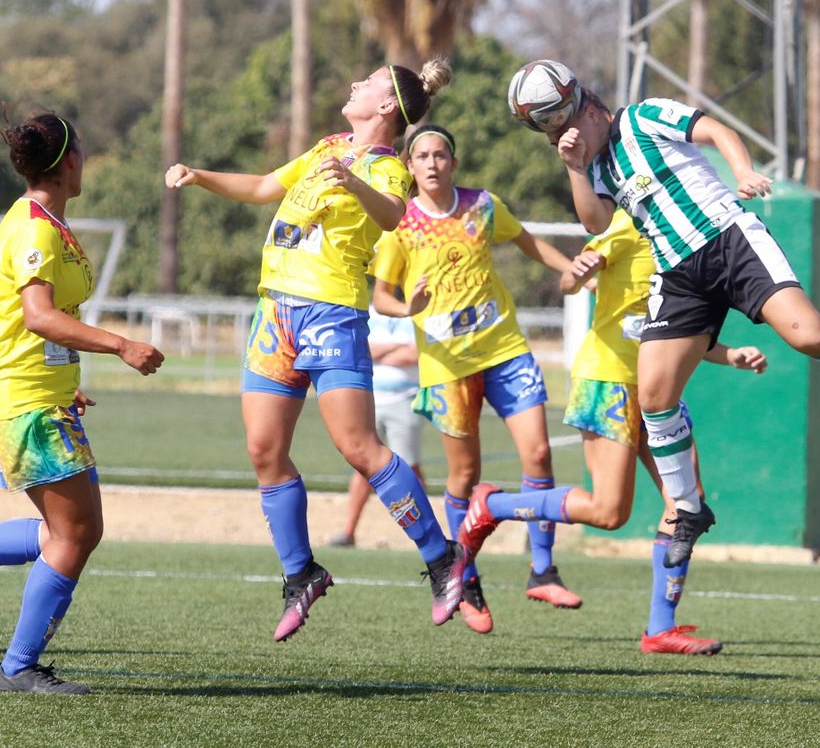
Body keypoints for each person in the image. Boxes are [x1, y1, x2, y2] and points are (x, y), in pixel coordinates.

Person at [538, 64, 820, 567]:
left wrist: (741, 171)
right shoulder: (598, 166)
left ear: (588, 107)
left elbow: (716, 129)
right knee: (653, 394)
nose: (565, 137)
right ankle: (689, 509)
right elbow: (596, 221)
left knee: (806, 336)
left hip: (728, 239)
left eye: (566, 126)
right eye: (553, 135)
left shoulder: (644, 116)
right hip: (677, 273)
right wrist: (576, 167)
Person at [164, 59, 469, 639]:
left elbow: (390, 216)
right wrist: (198, 175)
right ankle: (301, 573)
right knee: (262, 450)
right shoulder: (329, 145)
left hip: (330, 315)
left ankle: (441, 556)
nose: (356, 83)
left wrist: (352, 182)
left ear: (385, 106)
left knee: (359, 448)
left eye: (371, 80)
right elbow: (261, 188)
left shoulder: (387, 166)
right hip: (274, 312)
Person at [0, 112, 165, 694]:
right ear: (69, 161)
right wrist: (121, 345)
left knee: (65, 531)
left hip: (38, 394)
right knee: (76, 534)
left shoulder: (49, 223)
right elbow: (39, 317)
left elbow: (47, 323)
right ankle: (16, 668)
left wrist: (66, 380)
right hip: (20, 399)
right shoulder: (35, 229)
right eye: (84, 151)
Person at [458, 209, 768, 654]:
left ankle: (661, 629)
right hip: (609, 380)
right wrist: (578, 271)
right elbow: (570, 283)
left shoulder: (691, 241)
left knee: (686, 502)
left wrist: (731, 353)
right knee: (608, 512)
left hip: (658, 389)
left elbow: (676, 332)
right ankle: (494, 505)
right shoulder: (632, 223)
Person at [370, 123, 577, 634]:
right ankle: (468, 576)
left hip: (504, 349)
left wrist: (572, 271)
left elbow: (528, 242)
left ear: (454, 164)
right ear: (410, 166)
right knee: (464, 476)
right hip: (446, 365)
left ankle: (542, 567)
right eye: (422, 156)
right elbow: (381, 297)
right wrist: (408, 306)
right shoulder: (401, 226)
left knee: (540, 454)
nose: (433, 163)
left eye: (442, 154)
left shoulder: (482, 206)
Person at [330, 305, 426, 547]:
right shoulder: (368, 310)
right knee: (363, 464)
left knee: (409, 467)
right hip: (368, 400)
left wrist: (381, 351)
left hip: (406, 400)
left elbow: (418, 353)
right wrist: (397, 348)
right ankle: (348, 532)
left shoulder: (417, 311)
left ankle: (427, 530)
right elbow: (362, 350)